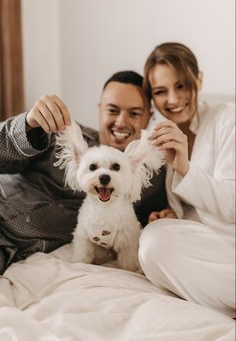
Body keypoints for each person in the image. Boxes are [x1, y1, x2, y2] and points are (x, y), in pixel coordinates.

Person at [0, 70, 168, 274]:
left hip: (13, 248)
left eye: (134, 113)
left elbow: (165, 215)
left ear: (149, 117)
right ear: (100, 109)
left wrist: (168, 214)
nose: (121, 121)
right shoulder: (60, 134)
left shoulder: (151, 177)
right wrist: (27, 124)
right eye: (112, 110)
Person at [138, 42, 235, 318]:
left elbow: (231, 205)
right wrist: (174, 218)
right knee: (151, 245)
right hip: (213, 252)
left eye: (181, 85)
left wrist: (185, 167)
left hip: (230, 243)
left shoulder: (227, 119)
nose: (173, 99)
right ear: (152, 98)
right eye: (160, 91)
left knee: (154, 242)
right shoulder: (164, 137)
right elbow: (198, 214)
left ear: (199, 80)